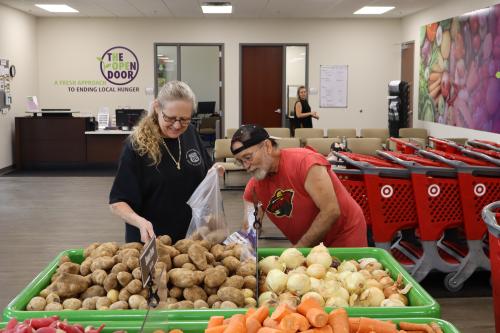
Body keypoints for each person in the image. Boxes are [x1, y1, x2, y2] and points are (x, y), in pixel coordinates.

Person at [109, 81, 213, 243]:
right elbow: (118, 202)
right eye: (170, 118)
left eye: (185, 119)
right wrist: (140, 223)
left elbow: (205, 172)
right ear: (157, 107)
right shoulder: (137, 146)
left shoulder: (191, 132)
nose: (177, 125)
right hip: (152, 240)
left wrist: (215, 172)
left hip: (191, 239)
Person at [231, 124, 367, 247]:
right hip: (310, 245)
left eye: (248, 158)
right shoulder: (254, 189)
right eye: (240, 162)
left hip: (344, 235)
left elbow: (331, 211)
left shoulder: (304, 163)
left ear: (267, 146)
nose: (246, 167)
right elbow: (250, 228)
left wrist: (298, 250)